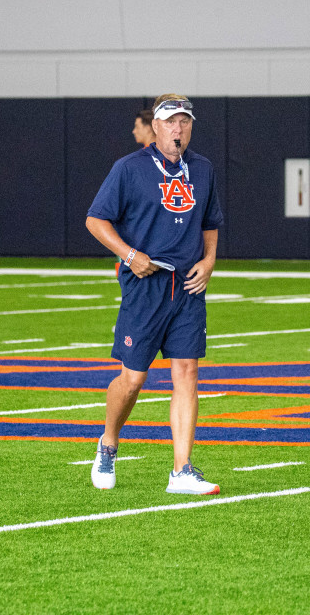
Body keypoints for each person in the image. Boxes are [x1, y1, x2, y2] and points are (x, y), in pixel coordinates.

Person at [85, 94, 223, 494]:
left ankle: (182, 469)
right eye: (170, 122)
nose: (177, 129)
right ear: (155, 126)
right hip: (145, 285)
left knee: (187, 372)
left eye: (184, 121)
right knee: (133, 378)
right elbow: (95, 220)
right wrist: (129, 255)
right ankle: (109, 442)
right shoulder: (129, 169)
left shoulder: (203, 169)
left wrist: (210, 259)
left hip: (188, 286)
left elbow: (210, 221)